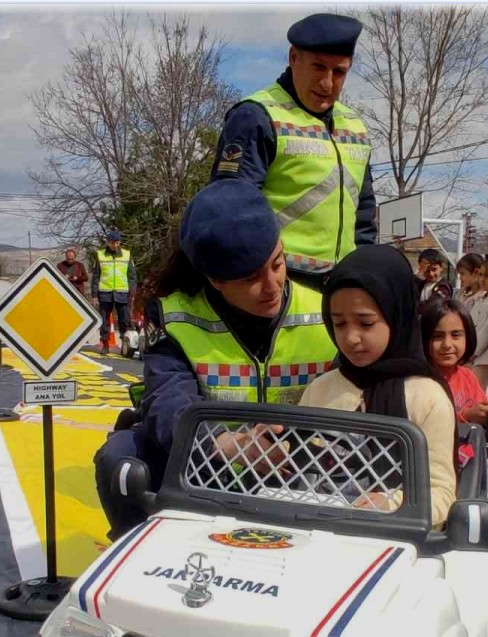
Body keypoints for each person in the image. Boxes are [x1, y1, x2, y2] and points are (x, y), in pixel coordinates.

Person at [92, 179, 336, 539]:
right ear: (215, 281)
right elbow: (166, 400)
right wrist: (222, 443)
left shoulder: (330, 312)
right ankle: (140, 551)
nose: (272, 286)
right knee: (123, 456)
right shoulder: (176, 318)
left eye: (277, 263)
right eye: (252, 277)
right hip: (210, 473)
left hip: (306, 469)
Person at [210, 13, 376, 290]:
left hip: (343, 286)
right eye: (318, 67)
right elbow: (232, 214)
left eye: (339, 72)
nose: (327, 83)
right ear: (293, 58)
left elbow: (365, 217)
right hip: (278, 285)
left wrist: (367, 276)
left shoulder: (355, 127)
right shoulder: (256, 116)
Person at [298, 245, 456, 528]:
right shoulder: (321, 388)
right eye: (339, 324)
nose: (351, 338)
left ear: (397, 315)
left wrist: (393, 504)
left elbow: (442, 494)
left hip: (400, 544)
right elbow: (301, 465)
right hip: (321, 534)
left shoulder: (426, 397)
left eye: (366, 323)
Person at [421, 297, 488, 468]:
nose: (447, 344)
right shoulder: (421, 382)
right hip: (432, 465)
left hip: (468, 463)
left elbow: (482, 409)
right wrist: (464, 417)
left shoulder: (467, 376)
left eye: (456, 335)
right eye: (437, 336)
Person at [91, 231, 136, 354]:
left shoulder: (126, 255)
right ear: (107, 242)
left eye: (117, 242)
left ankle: (125, 345)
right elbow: (96, 276)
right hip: (105, 292)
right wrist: (94, 294)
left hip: (122, 292)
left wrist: (132, 292)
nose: (115, 245)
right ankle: (105, 344)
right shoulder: (100, 255)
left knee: (124, 320)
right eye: (112, 243)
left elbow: (132, 275)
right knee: (104, 320)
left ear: (119, 242)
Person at [468, 254, 488, 390]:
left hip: (485, 356)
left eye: (487, 276)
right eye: (480, 275)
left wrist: (473, 352)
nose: (482, 280)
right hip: (472, 353)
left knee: (477, 389)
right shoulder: (479, 297)